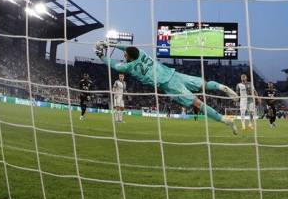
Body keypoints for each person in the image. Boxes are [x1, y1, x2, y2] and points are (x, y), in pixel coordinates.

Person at [96, 42, 239, 134]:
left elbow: (114, 65)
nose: (124, 55)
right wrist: (112, 44)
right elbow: (128, 48)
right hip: (174, 74)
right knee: (205, 84)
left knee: (198, 103)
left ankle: (225, 120)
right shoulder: (142, 53)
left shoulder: (129, 67)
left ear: (129, 57)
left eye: (125, 55)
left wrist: (101, 56)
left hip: (170, 85)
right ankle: (222, 87)